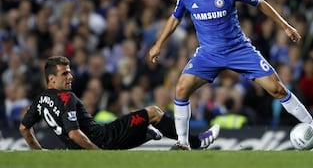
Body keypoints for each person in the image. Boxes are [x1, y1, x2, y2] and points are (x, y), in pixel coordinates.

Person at [149, 0, 313, 150]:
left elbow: (261, 3)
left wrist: (286, 26)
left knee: (277, 89)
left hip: (239, 50)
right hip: (208, 54)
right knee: (181, 89)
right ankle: (182, 142)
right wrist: (158, 45)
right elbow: (174, 19)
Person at [19, 56, 220, 150]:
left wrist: (39, 152)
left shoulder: (39, 101)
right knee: (155, 112)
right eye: (64, 73)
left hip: (84, 148)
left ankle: (147, 133)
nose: (70, 76)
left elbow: (24, 128)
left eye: (70, 71)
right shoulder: (66, 98)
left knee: (142, 129)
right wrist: (97, 154)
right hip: (103, 138)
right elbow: (74, 133)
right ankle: (197, 142)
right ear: (51, 79)